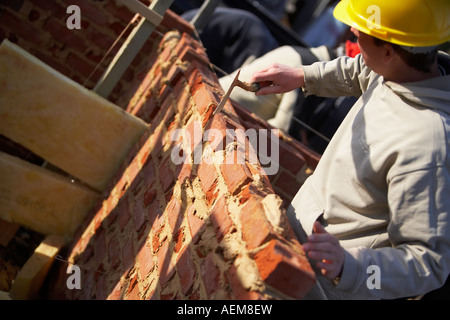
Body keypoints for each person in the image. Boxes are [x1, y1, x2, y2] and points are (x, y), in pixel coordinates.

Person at [250, 0, 450, 299]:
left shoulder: (427, 145)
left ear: (388, 50)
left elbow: (429, 264)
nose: (352, 29)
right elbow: (359, 69)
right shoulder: (398, 70)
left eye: (361, 33)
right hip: (293, 247)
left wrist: (351, 265)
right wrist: (303, 76)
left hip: (321, 288)